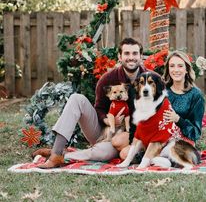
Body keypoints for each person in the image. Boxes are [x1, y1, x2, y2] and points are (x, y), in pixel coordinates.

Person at [33, 37, 147, 168]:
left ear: (141, 56)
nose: (131, 57)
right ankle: (56, 152)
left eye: (135, 53)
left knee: (103, 154)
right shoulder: (107, 79)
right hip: (102, 130)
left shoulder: (151, 80)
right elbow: (98, 108)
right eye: (127, 53)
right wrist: (108, 121)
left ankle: (62, 156)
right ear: (120, 57)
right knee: (77, 99)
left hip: (128, 137)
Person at [162, 50, 205, 145]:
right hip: (160, 136)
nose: (176, 70)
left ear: (186, 69)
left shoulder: (196, 95)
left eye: (180, 66)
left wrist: (178, 119)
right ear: (168, 69)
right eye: (172, 66)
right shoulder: (162, 91)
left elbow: (196, 133)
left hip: (183, 140)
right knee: (125, 153)